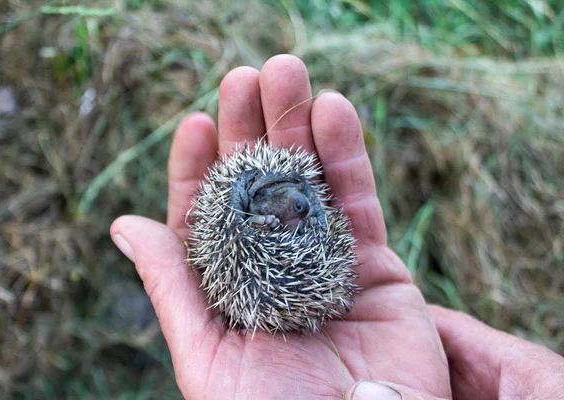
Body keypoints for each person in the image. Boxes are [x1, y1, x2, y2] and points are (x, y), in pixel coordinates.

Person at [110, 55, 564, 399]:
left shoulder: (291, 202)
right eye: (284, 212)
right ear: (254, 212)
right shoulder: (244, 213)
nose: (303, 207)